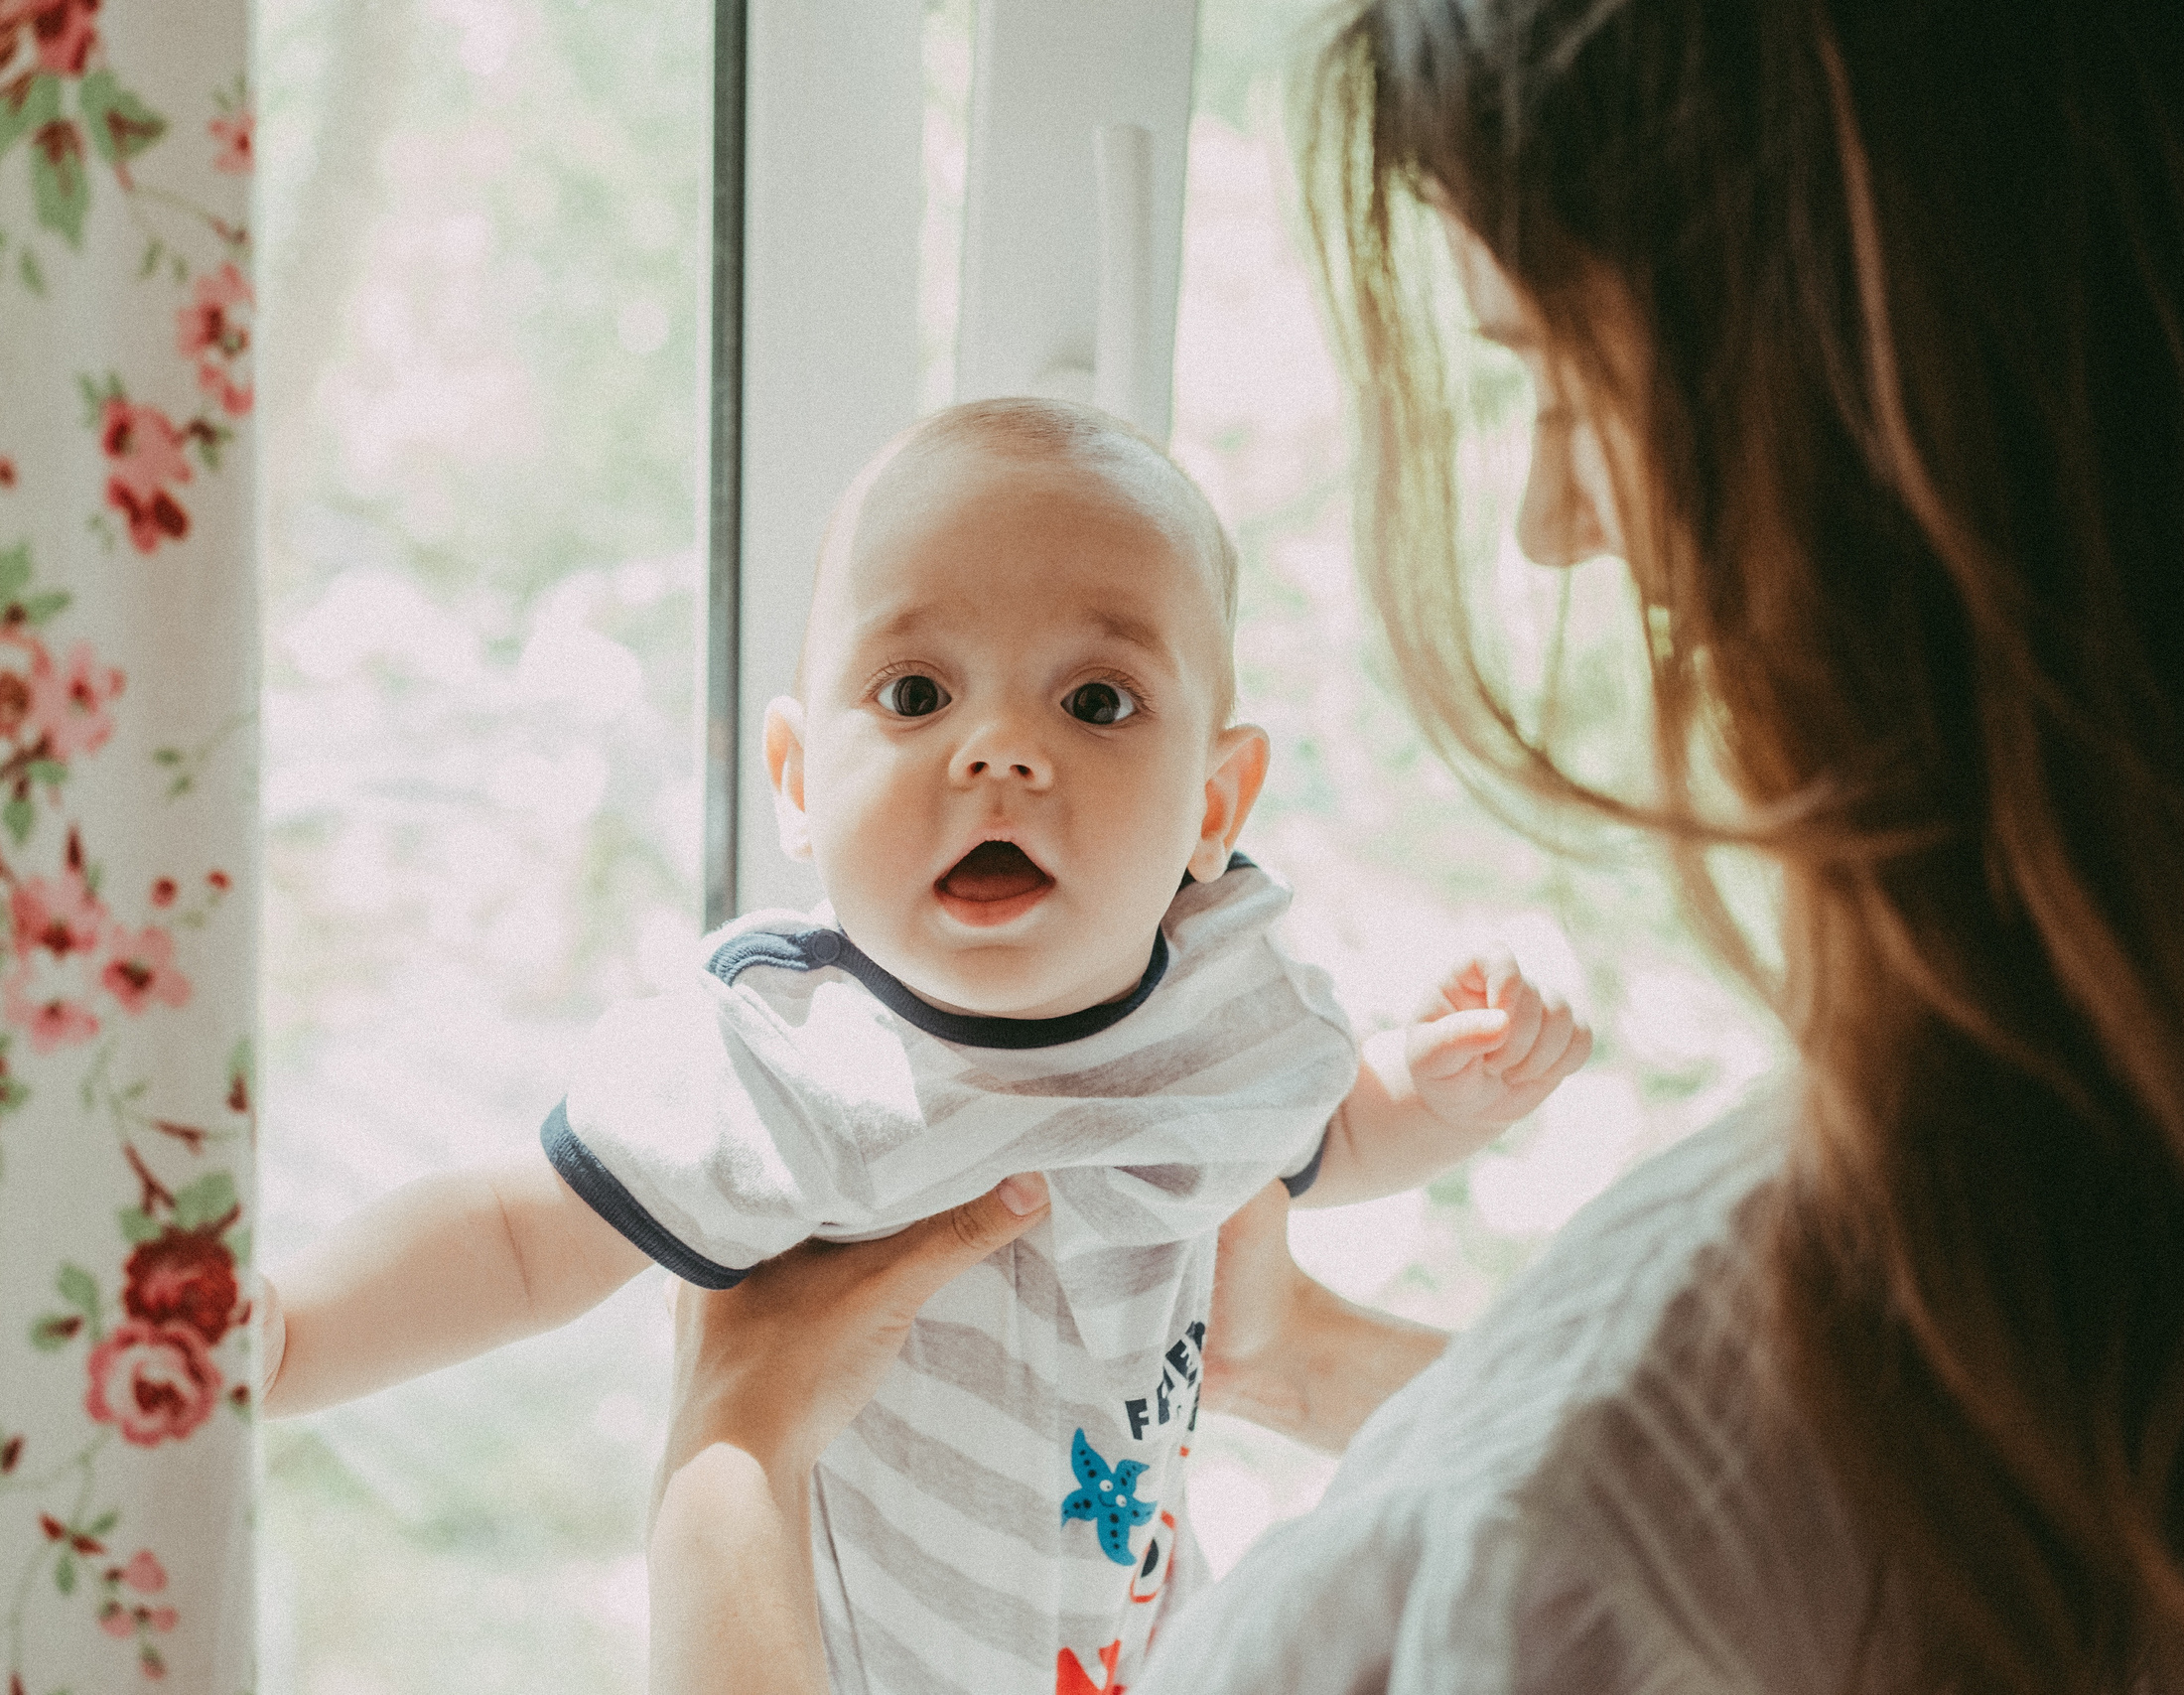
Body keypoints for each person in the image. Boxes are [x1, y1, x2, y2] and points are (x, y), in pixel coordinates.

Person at [642, 2, 2184, 1692]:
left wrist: (729, 1462)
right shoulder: (2071, 1185)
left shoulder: (1523, 1565)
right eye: (914, 690)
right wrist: (1296, 1355)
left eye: (1556, 382)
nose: (1546, 519)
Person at [257, 396, 1593, 1692]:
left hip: (1139, 1642)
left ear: (1216, 801)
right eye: (914, 692)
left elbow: (1319, 1135)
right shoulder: (788, 1063)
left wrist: (1441, 1090)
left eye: (1098, 702)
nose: (1001, 750)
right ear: (796, 782)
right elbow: (517, 1234)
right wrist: (288, 1335)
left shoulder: (1221, 1008)